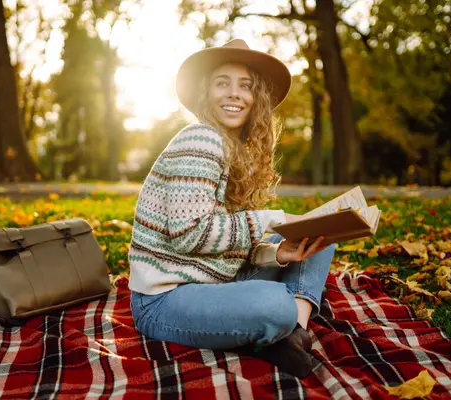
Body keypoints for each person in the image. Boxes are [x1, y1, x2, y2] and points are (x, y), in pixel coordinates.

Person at [128, 39, 335, 379]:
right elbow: (188, 236)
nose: (234, 94)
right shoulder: (200, 138)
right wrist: (274, 219)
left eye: (246, 86)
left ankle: (293, 331)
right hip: (165, 299)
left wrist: (279, 254)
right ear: (206, 93)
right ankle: (281, 322)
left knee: (321, 237)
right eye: (222, 83)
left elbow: (231, 246)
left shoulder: (237, 151)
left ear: (258, 99)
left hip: (214, 279)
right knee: (273, 303)